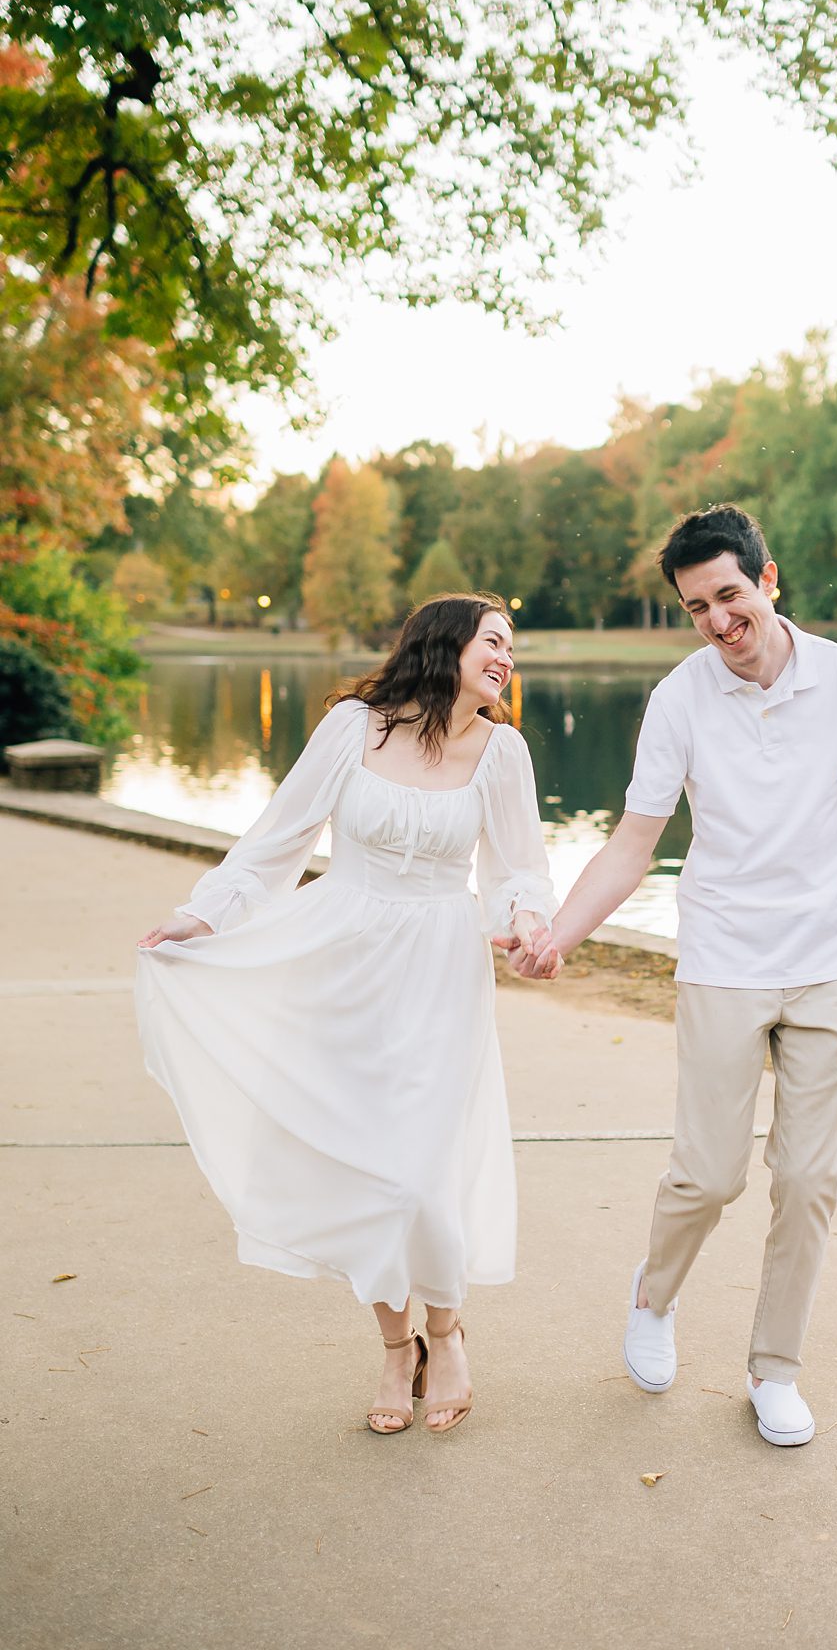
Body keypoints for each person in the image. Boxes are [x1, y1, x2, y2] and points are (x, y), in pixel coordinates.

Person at [509, 505, 837, 1447]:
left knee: (809, 1178)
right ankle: (654, 1295)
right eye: (697, 606)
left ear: (769, 580)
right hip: (723, 961)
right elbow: (634, 843)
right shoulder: (679, 699)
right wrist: (561, 936)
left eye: (729, 595)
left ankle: (774, 1370)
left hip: (834, 961)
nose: (716, 621)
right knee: (710, 1177)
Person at [136, 594, 558, 1436]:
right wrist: (204, 914)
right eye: (494, 641)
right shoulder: (352, 729)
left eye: (513, 646)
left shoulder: (501, 751)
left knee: (422, 1170)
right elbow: (275, 840)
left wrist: (528, 921)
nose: (507, 657)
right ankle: (397, 1345)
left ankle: (447, 1329)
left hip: (440, 967)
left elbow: (518, 866)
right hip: (341, 959)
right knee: (364, 1167)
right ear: (444, 644)